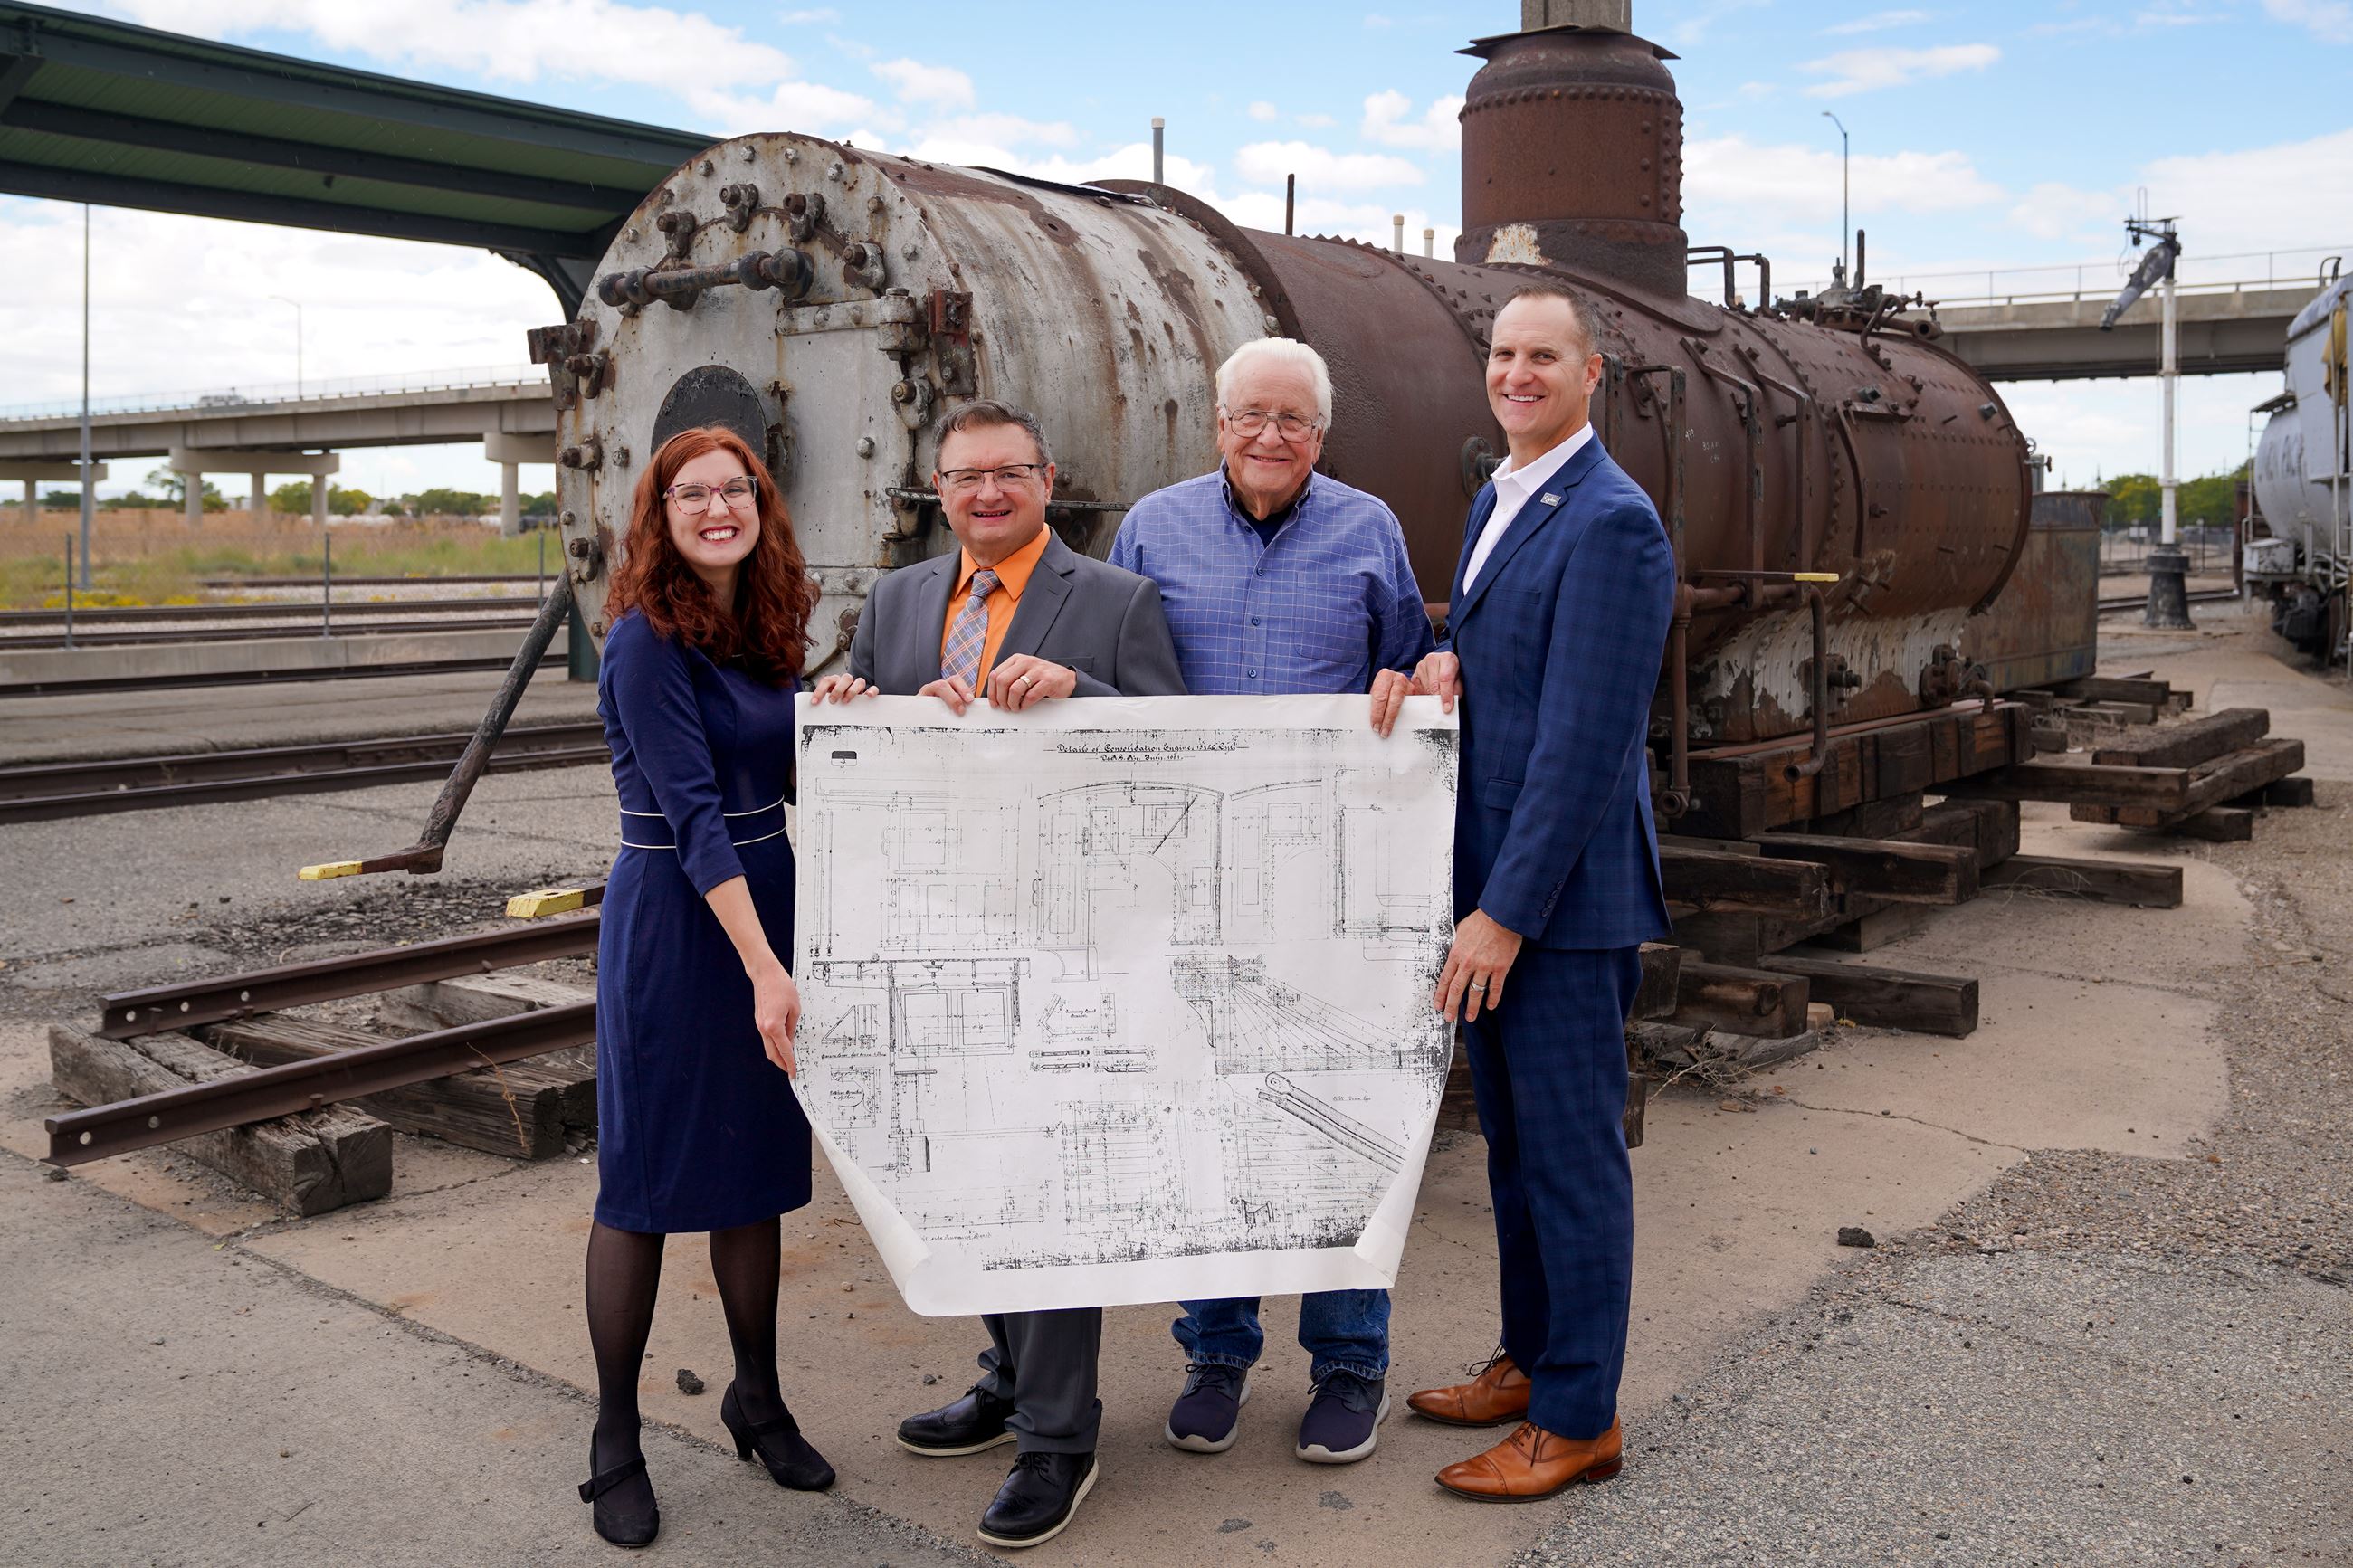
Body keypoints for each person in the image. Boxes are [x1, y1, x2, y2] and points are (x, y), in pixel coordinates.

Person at [811, 398, 1185, 1550]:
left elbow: (1176, 741)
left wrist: (1084, 693)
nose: (986, 494)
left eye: (1007, 474)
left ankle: (1058, 1439)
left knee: (1051, 1181)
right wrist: (851, 710)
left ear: (1046, 479)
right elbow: (871, 750)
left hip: (1071, 935)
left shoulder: (1114, 600)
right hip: (937, 927)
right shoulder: (900, 600)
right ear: (938, 487)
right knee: (969, 1166)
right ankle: (1008, 1374)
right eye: (964, 477)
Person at [1109, 337, 1434, 1467]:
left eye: (1293, 420)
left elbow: (1412, 666)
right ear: (1215, 422)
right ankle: (1214, 1350)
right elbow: (1109, 679)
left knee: (1337, 1111)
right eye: (1250, 415)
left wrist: (1425, 674)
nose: (1269, 437)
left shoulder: (1369, 530)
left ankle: (1348, 1361)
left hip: (1326, 880)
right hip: (1190, 880)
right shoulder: (1150, 527)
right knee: (1204, 1112)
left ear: (1321, 434)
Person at [1373, 284, 1675, 1502]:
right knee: (1512, 1155)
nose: (1516, 372)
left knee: (1569, 1160)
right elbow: (1522, 676)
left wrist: (1503, 912)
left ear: (1590, 372)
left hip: (1550, 904)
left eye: (1542, 355)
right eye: (1502, 353)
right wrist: (1453, 660)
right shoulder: (1508, 493)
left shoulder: (1612, 519)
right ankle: (1531, 1357)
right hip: (1498, 891)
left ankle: (1580, 1416)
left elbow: (1588, 741)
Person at [578, 426, 835, 1548]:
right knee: (641, 1187)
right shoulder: (642, 638)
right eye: (695, 492)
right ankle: (614, 1437)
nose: (717, 507)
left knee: (751, 1169)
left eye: (736, 489)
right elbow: (689, 817)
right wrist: (764, 969)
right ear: (661, 510)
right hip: (683, 918)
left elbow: (779, 770)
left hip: (762, 895)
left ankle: (757, 1396)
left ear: (759, 504)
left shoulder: (761, 627)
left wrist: (843, 714)